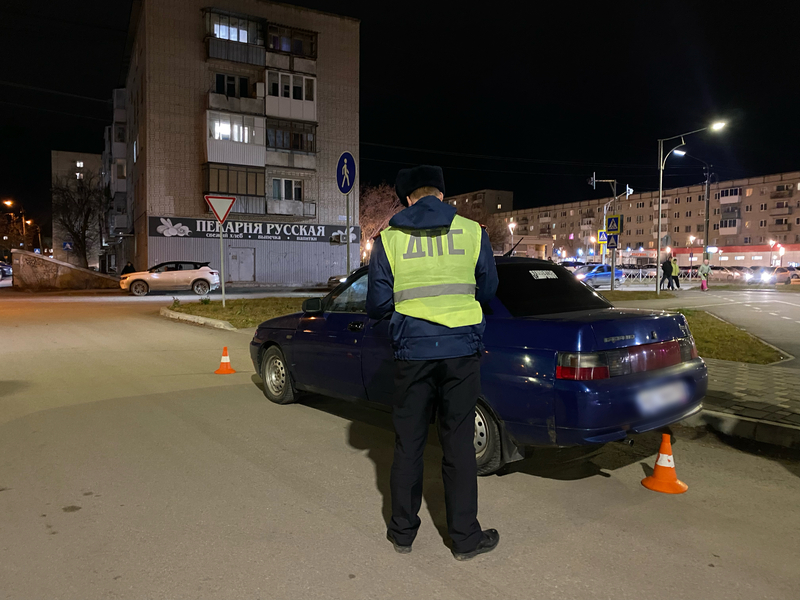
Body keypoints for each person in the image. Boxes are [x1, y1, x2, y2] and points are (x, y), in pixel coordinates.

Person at [366, 165, 500, 561]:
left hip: (413, 353)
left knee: (409, 443)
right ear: (442, 194)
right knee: (457, 442)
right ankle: (464, 539)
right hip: (461, 352)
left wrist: (408, 309)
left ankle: (402, 534)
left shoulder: (389, 239)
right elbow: (489, 288)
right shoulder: (473, 232)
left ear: (407, 198)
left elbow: (376, 305)